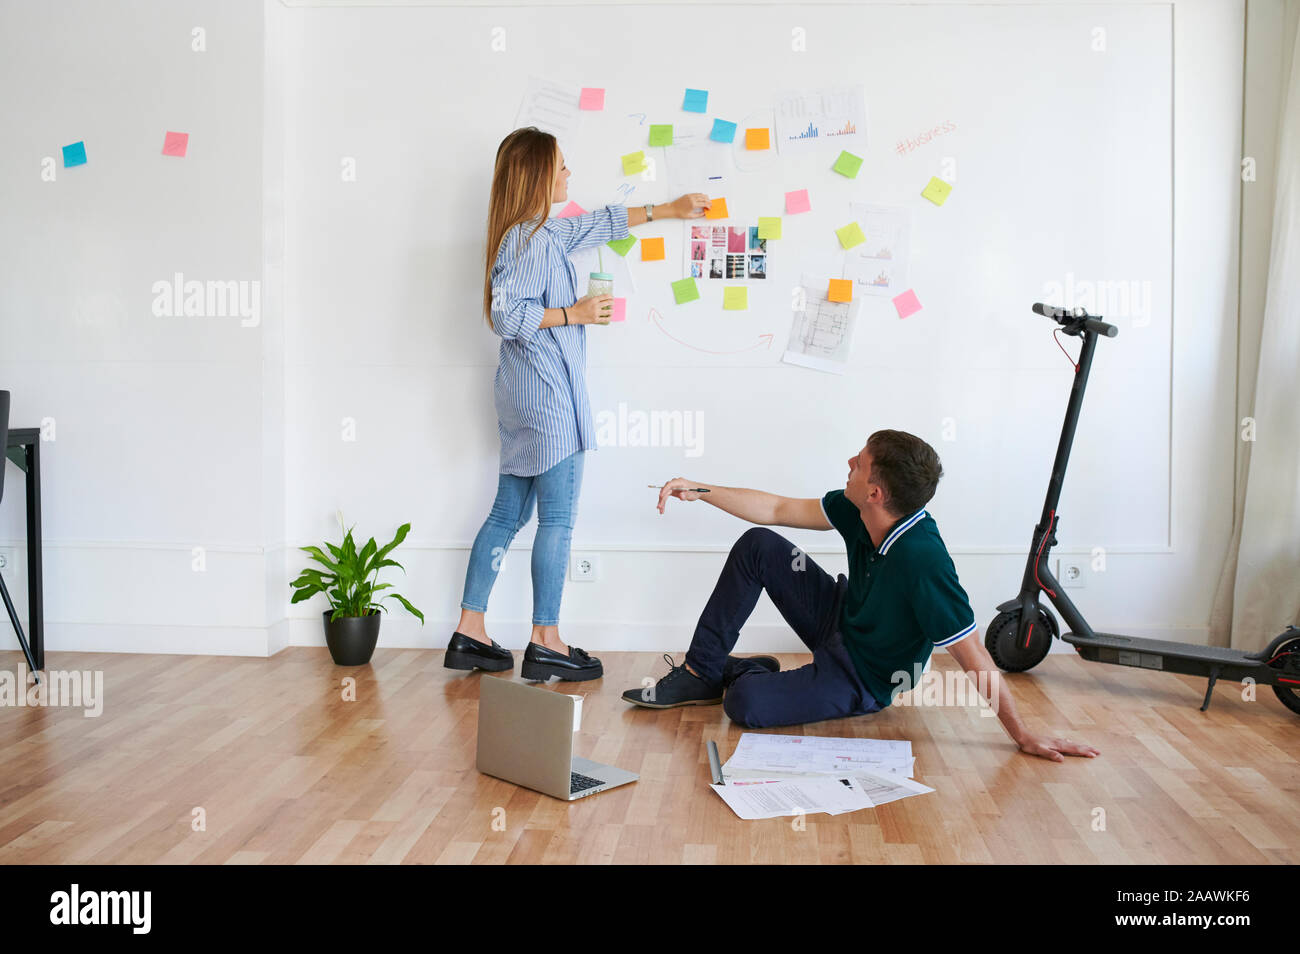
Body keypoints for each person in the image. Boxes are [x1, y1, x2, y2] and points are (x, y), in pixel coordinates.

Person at [625, 429, 1100, 762]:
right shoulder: (858, 509)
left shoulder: (924, 561)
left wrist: (1023, 733)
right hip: (842, 619)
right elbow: (775, 508)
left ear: (875, 492)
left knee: (745, 705)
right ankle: (701, 672)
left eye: (860, 462)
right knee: (760, 545)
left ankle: (746, 673)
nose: (849, 463)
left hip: (866, 676)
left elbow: (973, 653)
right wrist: (701, 489)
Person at [445, 126, 710, 682]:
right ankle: (547, 640)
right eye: (562, 167)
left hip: (523, 396)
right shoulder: (533, 242)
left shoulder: (535, 235)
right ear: (539, 175)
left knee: (506, 514)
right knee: (558, 520)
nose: (569, 175)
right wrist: (576, 314)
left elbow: (599, 223)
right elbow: (506, 316)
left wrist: (669, 208)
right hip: (546, 398)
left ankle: (470, 630)